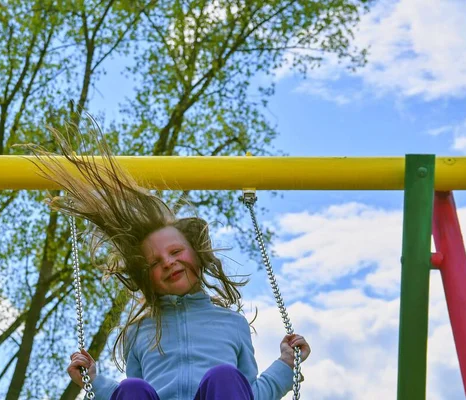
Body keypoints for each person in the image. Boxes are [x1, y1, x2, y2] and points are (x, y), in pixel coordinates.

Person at [25, 115, 311, 400]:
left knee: (224, 376)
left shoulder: (231, 324)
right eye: (154, 263)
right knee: (132, 387)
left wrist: (286, 364)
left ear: (197, 255)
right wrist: (94, 381)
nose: (168, 262)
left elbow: (249, 393)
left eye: (175, 251)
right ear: (146, 277)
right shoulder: (139, 332)